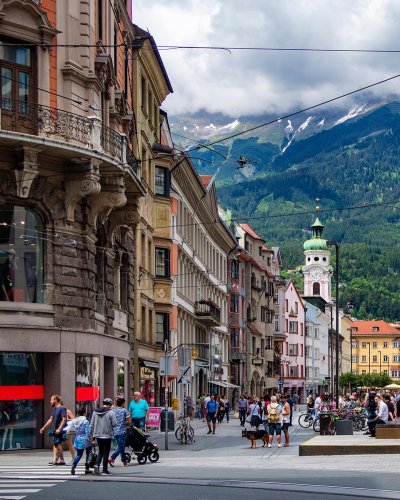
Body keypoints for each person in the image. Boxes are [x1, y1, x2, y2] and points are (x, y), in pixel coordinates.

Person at [90, 398, 116, 475]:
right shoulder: (111, 412)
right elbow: (114, 423)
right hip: (107, 435)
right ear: (110, 404)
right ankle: (105, 470)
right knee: (106, 452)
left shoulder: (95, 412)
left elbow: (91, 424)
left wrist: (92, 436)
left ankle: (97, 465)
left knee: (100, 451)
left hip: (97, 435)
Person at [40, 394, 67, 466]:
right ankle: (61, 460)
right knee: (56, 444)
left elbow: (64, 419)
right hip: (56, 429)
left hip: (60, 429)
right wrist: (44, 427)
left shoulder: (62, 408)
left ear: (55, 400)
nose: (50, 401)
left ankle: (60, 460)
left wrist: (60, 428)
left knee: (57, 443)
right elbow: (51, 419)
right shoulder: (54, 409)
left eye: (51, 399)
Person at [109, 397, 130, 468]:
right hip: (122, 431)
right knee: (121, 447)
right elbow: (128, 421)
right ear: (123, 403)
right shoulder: (124, 411)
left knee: (121, 446)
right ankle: (112, 458)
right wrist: (127, 424)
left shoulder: (113, 410)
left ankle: (124, 461)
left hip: (115, 431)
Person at [70, 407, 92, 475]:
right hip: (85, 439)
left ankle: (74, 466)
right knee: (88, 453)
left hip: (77, 439)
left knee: (79, 454)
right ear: (84, 413)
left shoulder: (74, 421)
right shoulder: (86, 421)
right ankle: (87, 468)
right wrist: (90, 439)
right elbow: (87, 432)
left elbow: (72, 429)